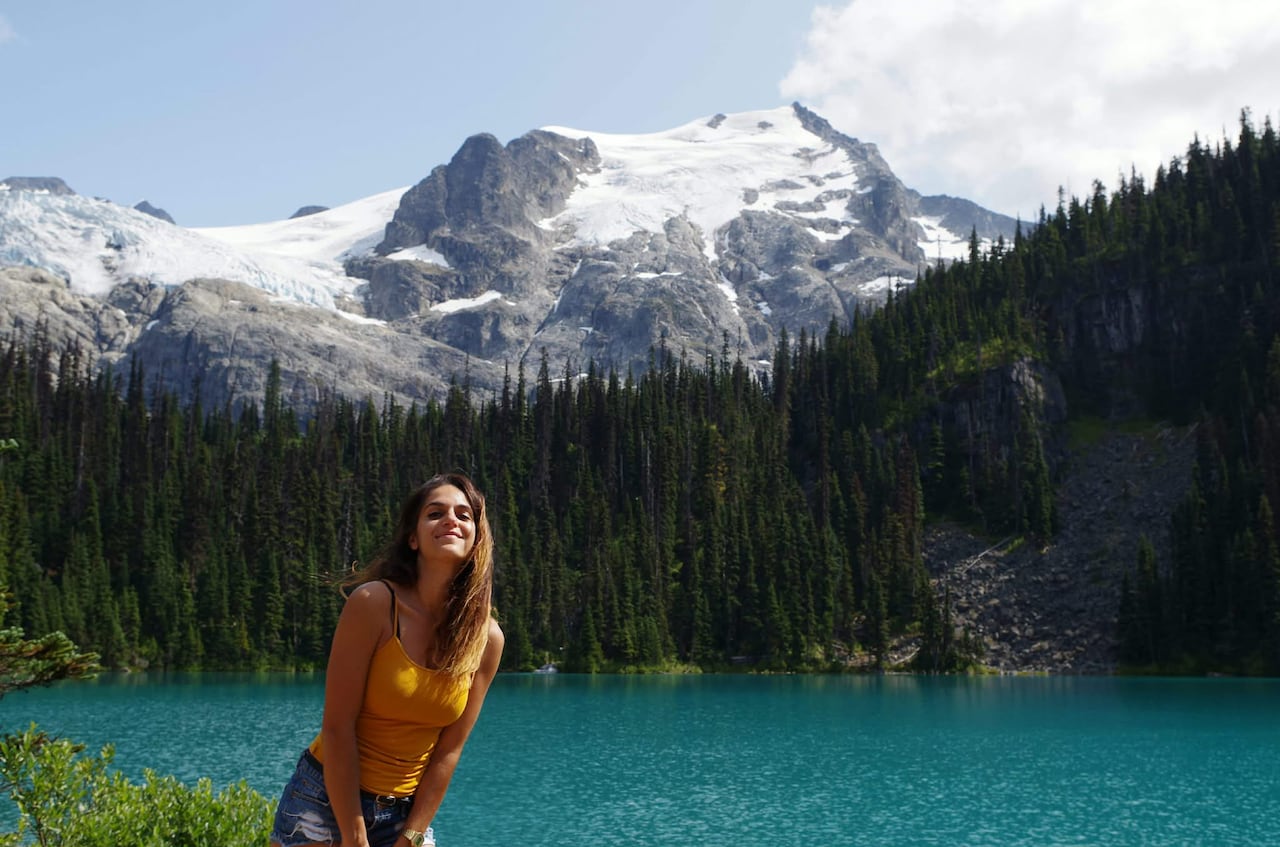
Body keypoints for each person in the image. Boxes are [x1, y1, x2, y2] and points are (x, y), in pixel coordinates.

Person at [270, 473, 505, 847]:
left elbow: (449, 750)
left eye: (464, 515)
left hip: (406, 813)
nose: (451, 520)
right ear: (412, 538)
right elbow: (337, 726)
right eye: (435, 513)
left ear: (477, 538)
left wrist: (411, 836)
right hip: (326, 800)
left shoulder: (486, 639)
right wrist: (355, 836)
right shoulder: (375, 604)